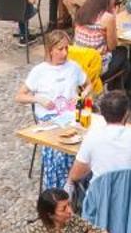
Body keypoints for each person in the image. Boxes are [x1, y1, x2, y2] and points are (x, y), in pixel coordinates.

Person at [16, 31, 87, 192]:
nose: (64, 53)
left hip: (70, 117)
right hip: (49, 121)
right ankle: (61, 192)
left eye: (66, 49)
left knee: (88, 148)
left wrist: (81, 95)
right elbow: (19, 96)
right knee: (60, 153)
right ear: (51, 50)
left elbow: (89, 85)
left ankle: (79, 190)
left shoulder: (73, 67)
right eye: (60, 49)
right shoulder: (40, 71)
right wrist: (38, 99)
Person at [69, 91, 131, 187]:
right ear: (126, 113)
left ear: (102, 114)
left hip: (101, 198)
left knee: (76, 182)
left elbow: (75, 175)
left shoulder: (92, 136)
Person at [67, 0, 123, 87]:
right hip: (94, 64)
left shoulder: (81, 11)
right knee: (123, 53)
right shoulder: (107, 18)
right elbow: (112, 46)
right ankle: (115, 92)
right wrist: (114, 17)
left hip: (77, 60)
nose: (114, 0)